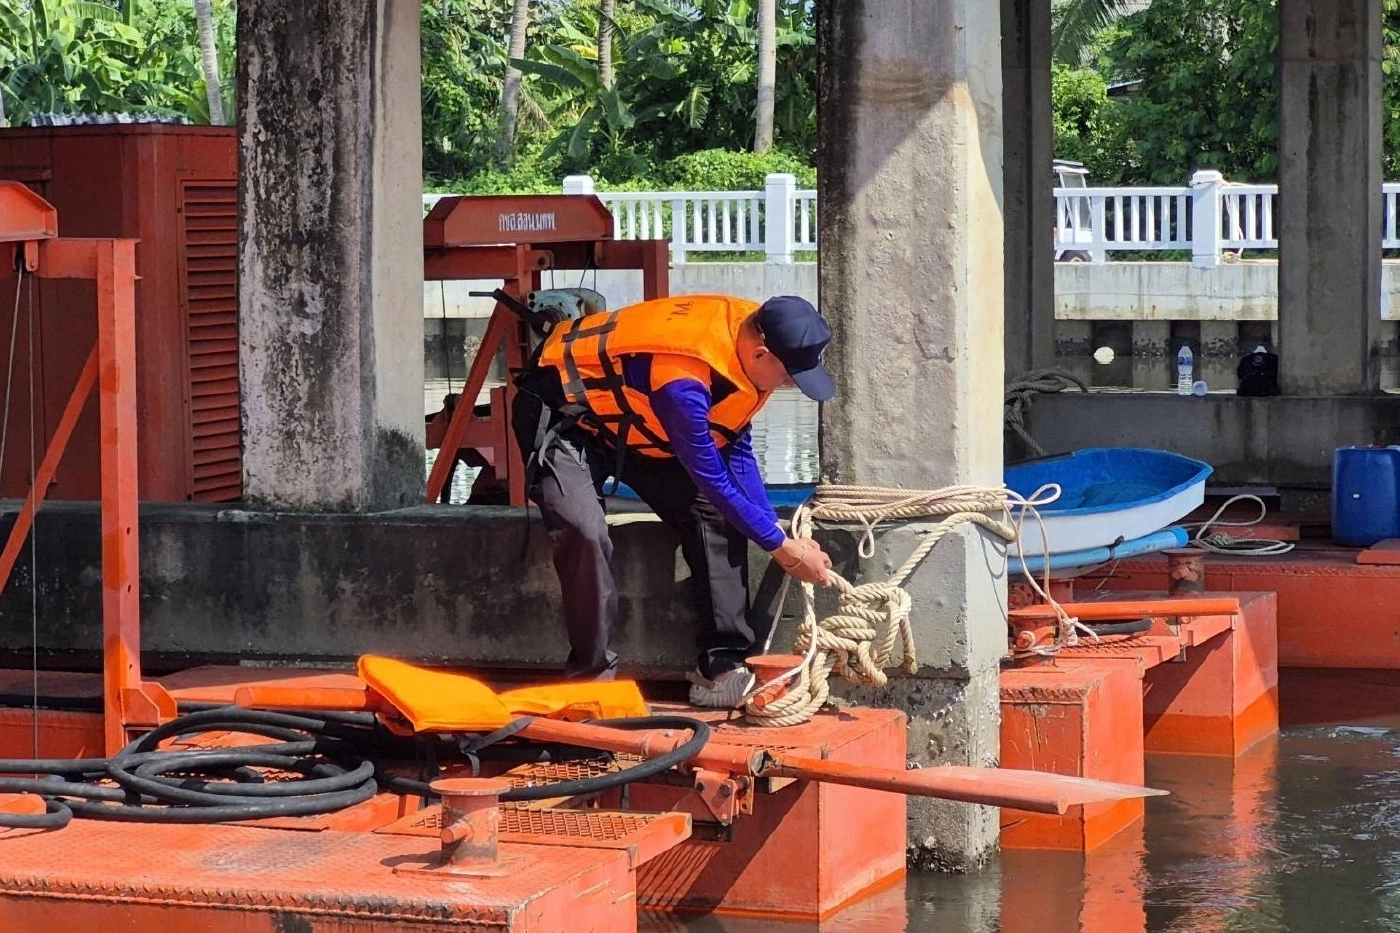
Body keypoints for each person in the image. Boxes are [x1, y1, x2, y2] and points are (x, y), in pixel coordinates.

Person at [510, 293, 835, 707]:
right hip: (568, 421)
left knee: (715, 513)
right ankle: (590, 680)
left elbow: (733, 447)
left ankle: (720, 666)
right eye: (790, 376)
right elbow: (710, 473)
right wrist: (780, 547)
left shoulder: (745, 344)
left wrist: (776, 531)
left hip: (635, 423)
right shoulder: (681, 379)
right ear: (761, 353)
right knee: (583, 530)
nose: (791, 384)